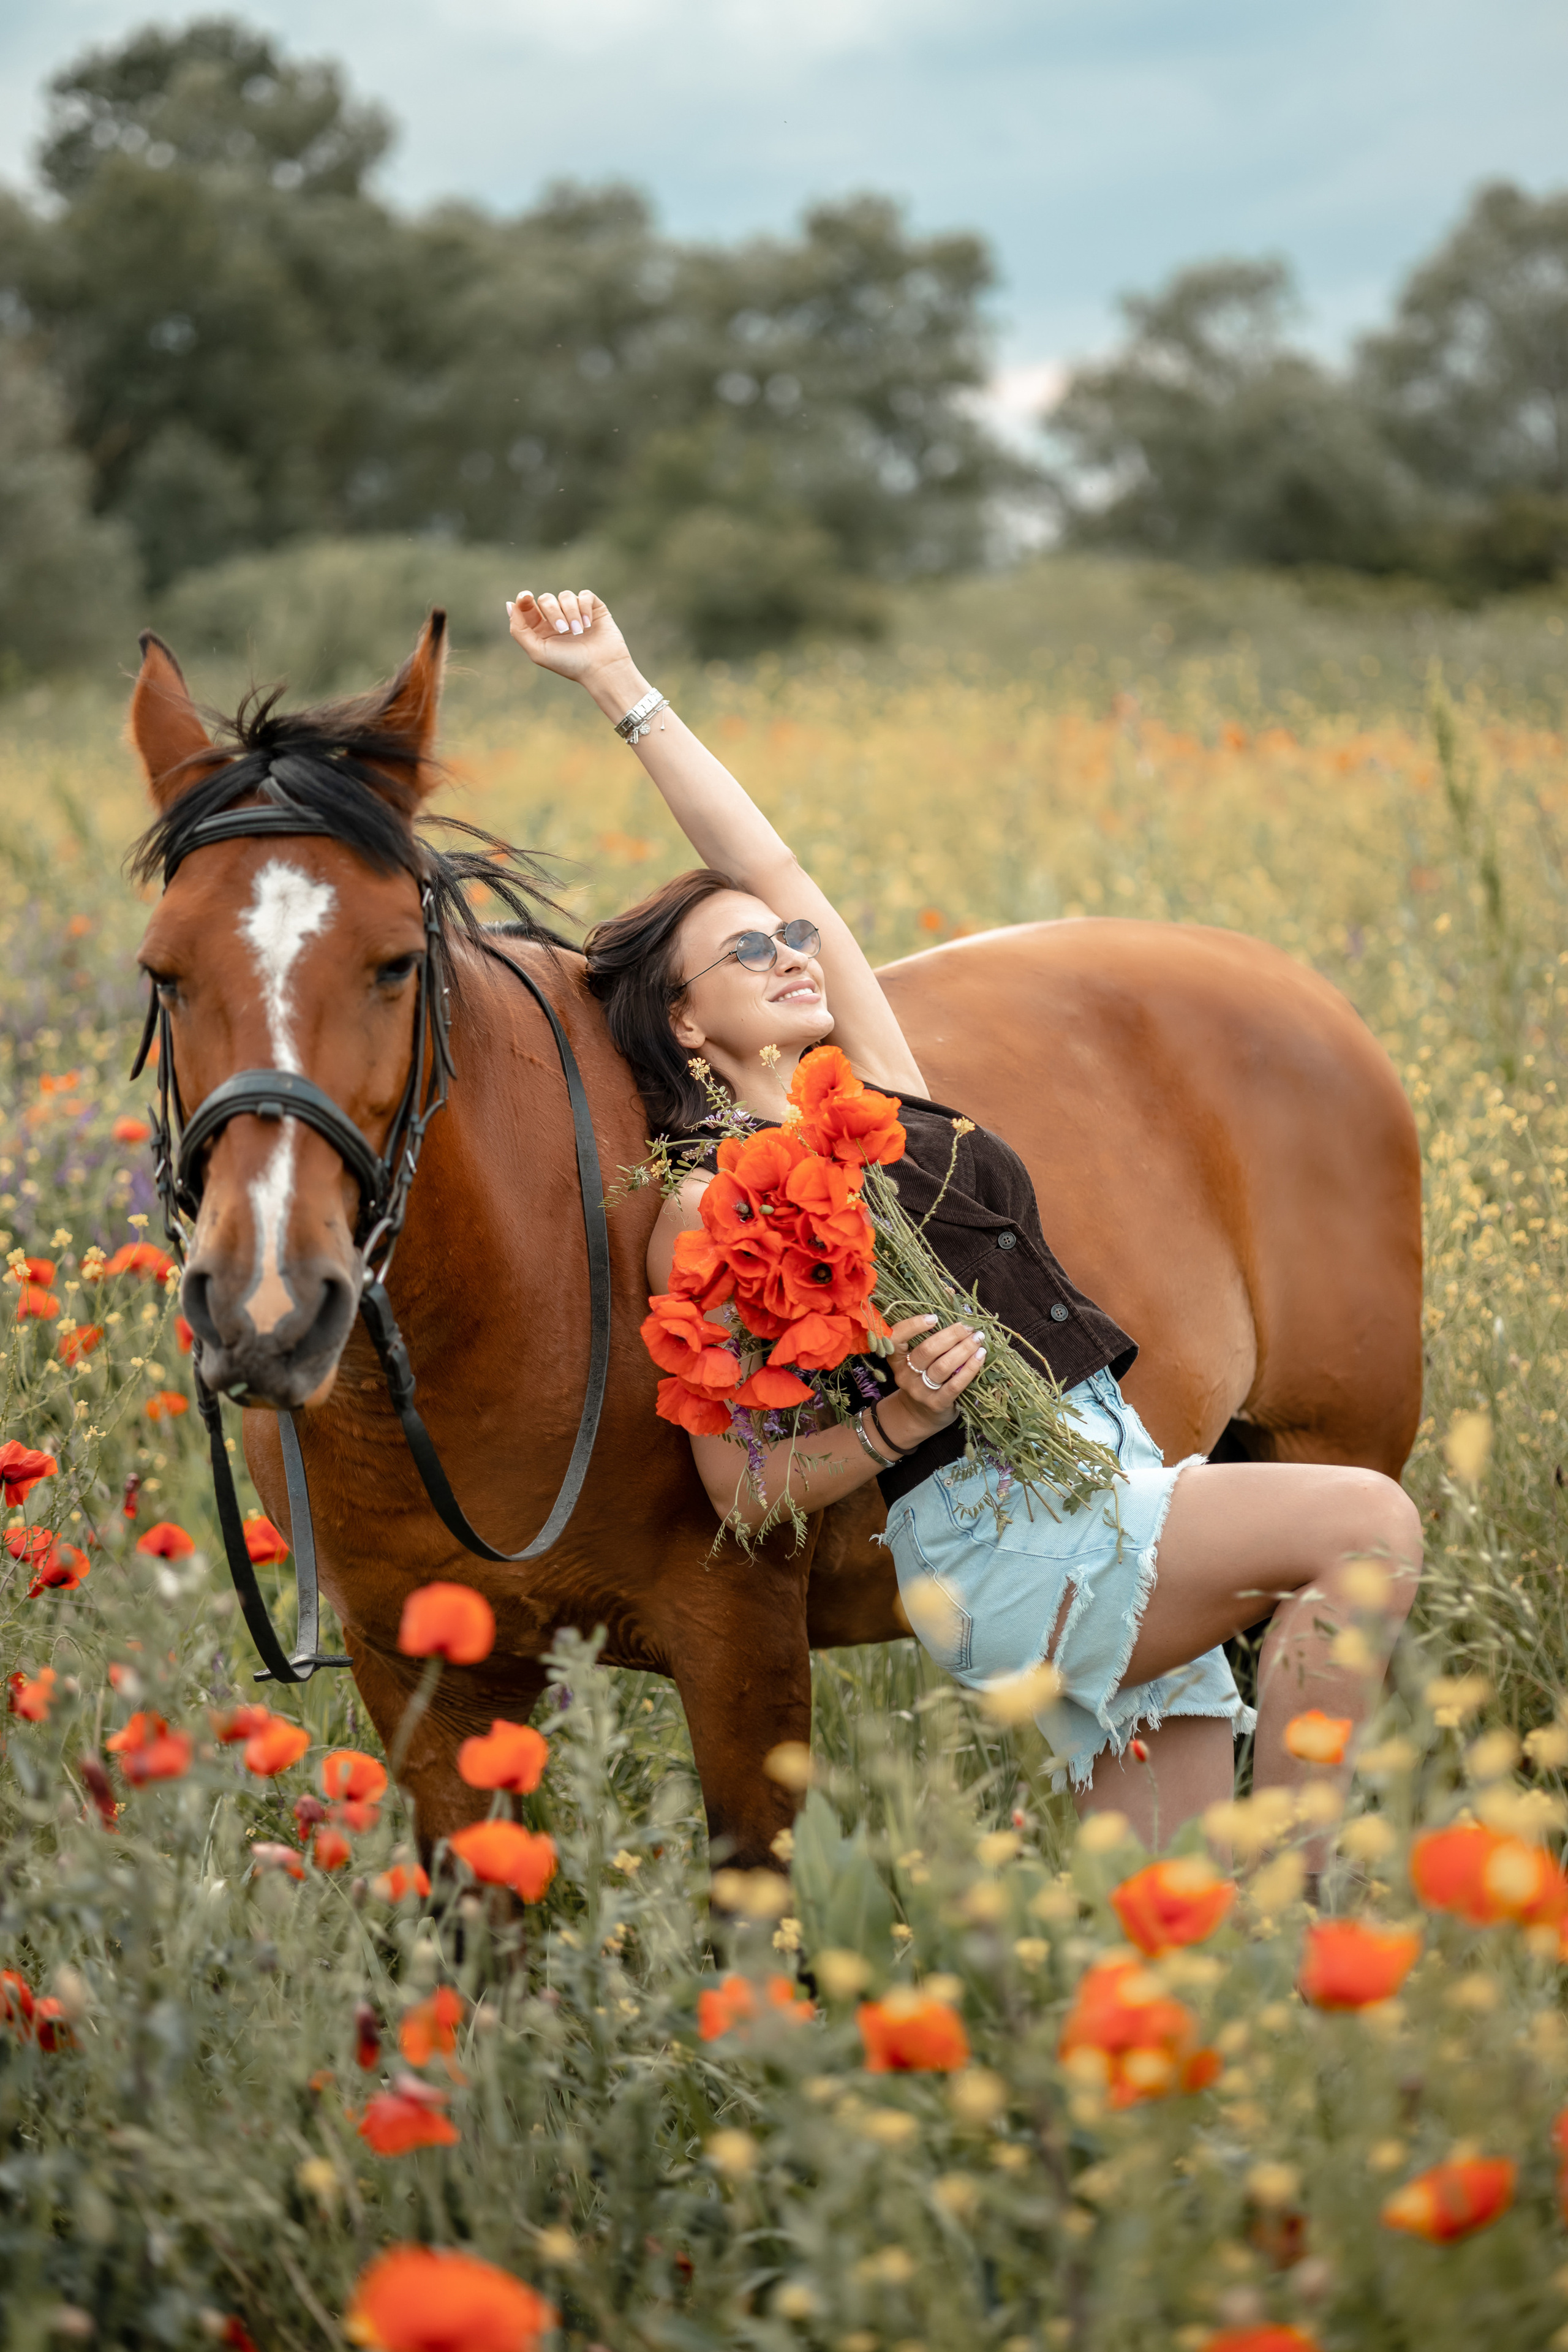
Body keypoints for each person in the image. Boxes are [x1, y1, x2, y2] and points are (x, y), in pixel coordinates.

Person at [505, 587, 1421, 1854]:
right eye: (746, 953)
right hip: (1009, 1541)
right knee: (1367, 1522)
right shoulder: (706, 1203)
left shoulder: (877, 1090)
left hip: (1109, 1484)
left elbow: (780, 870)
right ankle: (1314, 1892)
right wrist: (900, 1418)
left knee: (1182, 1932)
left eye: (788, 941)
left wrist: (619, 683)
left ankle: (1236, 1962)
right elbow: (742, 1488)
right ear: (683, 1023)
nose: (788, 951)